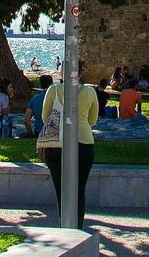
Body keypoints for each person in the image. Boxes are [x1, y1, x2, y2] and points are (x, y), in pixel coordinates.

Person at [37, 62, 101, 223]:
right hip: (84, 143)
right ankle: (77, 228)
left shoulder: (54, 90)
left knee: (61, 191)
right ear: (80, 71)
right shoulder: (90, 92)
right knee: (79, 191)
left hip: (58, 144)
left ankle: (64, 226)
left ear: (62, 71)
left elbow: (45, 118)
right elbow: (93, 120)